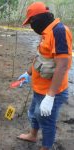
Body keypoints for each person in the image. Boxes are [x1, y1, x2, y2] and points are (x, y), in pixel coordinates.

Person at [17, 2, 72, 150]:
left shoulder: (59, 32)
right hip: (39, 88)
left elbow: (62, 66)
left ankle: (45, 147)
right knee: (34, 114)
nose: (31, 26)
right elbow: (40, 56)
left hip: (51, 91)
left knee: (46, 121)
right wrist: (27, 73)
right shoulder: (46, 32)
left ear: (38, 18)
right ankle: (33, 135)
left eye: (31, 22)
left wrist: (50, 96)